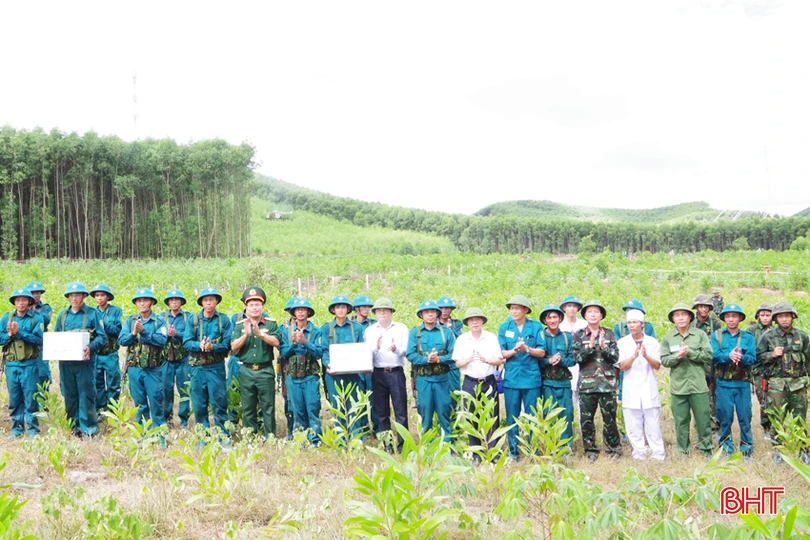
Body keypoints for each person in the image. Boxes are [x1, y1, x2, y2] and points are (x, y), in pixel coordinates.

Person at [755, 301, 810, 459]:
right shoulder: (768, 336)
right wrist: (771, 355)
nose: (784, 319)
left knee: (800, 418)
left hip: (798, 384)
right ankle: (777, 451)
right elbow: (757, 359)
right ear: (776, 318)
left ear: (792, 317)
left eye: (787, 316)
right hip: (776, 385)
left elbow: (808, 360)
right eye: (780, 317)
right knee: (777, 418)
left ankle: (803, 451)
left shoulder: (802, 336)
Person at [54, 282, 107, 439]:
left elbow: (102, 337)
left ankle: (88, 429)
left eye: (77, 295)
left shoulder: (92, 314)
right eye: (71, 295)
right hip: (66, 364)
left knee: (86, 395)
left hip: (85, 364)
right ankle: (73, 427)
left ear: (84, 296)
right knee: (69, 395)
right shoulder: (62, 316)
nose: (74, 298)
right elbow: (56, 337)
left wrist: (90, 347)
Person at [661, 302, 713, 456]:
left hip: (698, 386)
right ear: (673, 319)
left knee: (703, 419)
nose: (681, 318)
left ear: (690, 317)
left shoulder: (700, 335)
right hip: (679, 387)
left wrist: (690, 353)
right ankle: (684, 450)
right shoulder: (668, 338)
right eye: (677, 315)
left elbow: (708, 355)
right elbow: (664, 360)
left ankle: (706, 448)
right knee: (681, 421)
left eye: (684, 314)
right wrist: (678, 356)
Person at [573, 300, 621, 462]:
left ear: (601, 315)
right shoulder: (579, 335)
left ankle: (613, 449)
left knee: (610, 419)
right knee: (586, 420)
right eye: (589, 312)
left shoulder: (608, 334)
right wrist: (591, 346)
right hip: (587, 386)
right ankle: (590, 450)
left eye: (596, 312)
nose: (593, 315)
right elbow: (577, 358)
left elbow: (615, 357)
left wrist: (603, 346)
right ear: (585, 315)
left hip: (607, 385)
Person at [498, 295, 545, 460]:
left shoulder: (536, 327)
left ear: (526, 310)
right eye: (512, 308)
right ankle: (513, 451)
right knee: (512, 415)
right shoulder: (505, 327)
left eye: (517, 308)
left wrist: (527, 349)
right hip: (512, 377)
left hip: (531, 377)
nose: (514, 311)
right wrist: (515, 351)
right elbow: (502, 353)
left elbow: (542, 351)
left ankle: (532, 449)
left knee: (532, 415)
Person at [453, 307, 504, 458]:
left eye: (477, 319)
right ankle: (476, 453)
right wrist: (468, 359)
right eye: (471, 320)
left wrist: (486, 360)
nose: (475, 322)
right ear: (468, 323)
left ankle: (494, 452)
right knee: (470, 416)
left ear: (482, 321)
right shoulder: (462, 339)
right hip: (470, 382)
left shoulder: (491, 337)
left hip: (488, 381)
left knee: (492, 416)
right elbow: (457, 363)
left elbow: (499, 360)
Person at [230, 286, 281, 438]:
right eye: (251, 305)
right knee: (248, 406)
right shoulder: (240, 325)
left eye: (257, 304)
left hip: (265, 371)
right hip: (246, 371)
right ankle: (250, 436)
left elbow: (276, 342)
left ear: (262, 306)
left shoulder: (270, 324)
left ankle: (269, 436)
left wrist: (260, 334)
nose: (254, 308)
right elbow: (233, 347)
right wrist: (246, 335)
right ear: (246, 308)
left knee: (268, 406)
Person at [183, 287, 233, 437]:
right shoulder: (194, 319)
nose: (209, 303)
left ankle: (223, 436)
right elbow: (186, 342)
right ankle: (202, 437)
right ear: (202, 303)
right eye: (205, 300)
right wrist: (199, 345)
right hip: (197, 369)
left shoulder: (223, 320)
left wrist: (213, 347)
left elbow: (227, 345)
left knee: (219, 402)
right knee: (199, 404)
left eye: (211, 299)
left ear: (216, 301)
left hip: (216, 368)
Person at [119, 288, 168, 434]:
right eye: (139, 301)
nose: (142, 303)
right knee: (139, 404)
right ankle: (143, 434)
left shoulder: (159, 321)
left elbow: (162, 340)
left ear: (151, 303)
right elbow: (122, 340)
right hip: (135, 369)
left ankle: (160, 435)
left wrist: (144, 332)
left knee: (156, 402)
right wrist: (134, 333)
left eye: (145, 300)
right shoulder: (131, 320)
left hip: (153, 369)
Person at [617, 309, 664, 461]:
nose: (631, 325)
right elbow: (622, 366)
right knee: (633, 424)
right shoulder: (622, 343)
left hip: (648, 386)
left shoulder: (652, 342)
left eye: (635, 322)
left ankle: (658, 454)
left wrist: (645, 355)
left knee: (653, 424)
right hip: (631, 386)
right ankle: (639, 453)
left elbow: (657, 365)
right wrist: (634, 356)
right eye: (629, 323)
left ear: (642, 324)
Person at [406, 300, 456, 442]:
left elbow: (454, 354)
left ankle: (447, 445)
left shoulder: (446, 332)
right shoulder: (415, 333)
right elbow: (410, 354)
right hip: (423, 380)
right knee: (425, 413)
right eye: (427, 312)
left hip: (442, 380)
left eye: (433, 312)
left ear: (437, 314)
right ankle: (427, 445)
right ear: (421, 314)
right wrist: (427, 360)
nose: (430, 314)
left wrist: (438, 359)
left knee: (444, 411)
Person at [364, 297, 409, 452]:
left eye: (385, 310)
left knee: (400, 410)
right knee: (381, 410)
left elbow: (405, 351)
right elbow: (366, 354)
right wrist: (375, 347)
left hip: (396, 372)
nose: (382, 313)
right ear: (375, 313)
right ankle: (387, 444)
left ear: (391, 312)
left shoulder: (401, 328)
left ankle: (403, 444)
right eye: (379, 310)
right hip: (378, 373)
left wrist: (396, 349)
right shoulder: (369, 331)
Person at [711, 304, 756, 457]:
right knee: (725, 417)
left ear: (740, 318)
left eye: (734, 316)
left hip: (742, 384)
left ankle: (747, 448)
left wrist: (741, 357)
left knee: (745, 417)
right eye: (728, 316)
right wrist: (728, 356)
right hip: (723, 384)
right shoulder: (717, 336)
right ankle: (726, 448)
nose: (731, 319)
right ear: (724, 318)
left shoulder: (748, 337)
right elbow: (714, 355)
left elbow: (752, 358)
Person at [321, 295, 367, 440]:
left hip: (353, 374)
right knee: (337, 406)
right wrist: (328, 364)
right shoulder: (326, 328)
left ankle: (356, 439)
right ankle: (341, 438)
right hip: (334, 374)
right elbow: (324, 350)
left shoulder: (357, 328)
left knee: (354, 406)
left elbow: (361, 349)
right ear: (333, 310)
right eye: (338, 307)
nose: (341, 310)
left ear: (348, 310)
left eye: (343, 307)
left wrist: (362, 365)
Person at [0, 288, 44, 438]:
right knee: (15, 398)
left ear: (29, 301)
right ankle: (17, 429)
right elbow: (1, 339)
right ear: (14, 302)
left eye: (24, 300)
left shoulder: (36, 318)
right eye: (18, 300)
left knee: (31, 397)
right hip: (12, 365)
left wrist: (20, 333)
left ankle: (32, 429)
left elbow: (39, 340)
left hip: (29, 364)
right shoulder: (7, 318)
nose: (20, 303)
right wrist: (10, 334)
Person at [279, 298, 323, 445]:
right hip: (292, 377)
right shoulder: (287, 332)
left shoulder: (316, 331)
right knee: (297, 409)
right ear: (294, 313)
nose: (300, 312)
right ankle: (301, 439)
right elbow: (283, 352)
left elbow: (318, 352)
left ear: (308, 312)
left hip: (310, 376)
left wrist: (305, 342)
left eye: (303, 309)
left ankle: (315, 439)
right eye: (298, 310)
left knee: (313, 407)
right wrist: (294, 343)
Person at [537, 304, 575, 449]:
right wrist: (548, 361)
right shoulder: (540, 336)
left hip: (564, 383)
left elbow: (573, 359)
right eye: (549, 317)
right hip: (546, 384)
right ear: (545, 320)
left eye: (555, 317)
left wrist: (561, 361)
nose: (552, 320)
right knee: (549, 415)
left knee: (567, 415)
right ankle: (550, 446)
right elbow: (536, 360)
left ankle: (566, 448)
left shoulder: (567, 337)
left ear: (560, 319)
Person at [90, 284, 122, 412]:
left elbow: (118, 330)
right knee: (97, 382)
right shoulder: (92, 312)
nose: (99, 298)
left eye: (102, 295)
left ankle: (113, 409)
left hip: (110, 353)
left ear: (107, 297)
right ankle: (100, 408)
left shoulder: (116, 311)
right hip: (96, 354)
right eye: (97, 296)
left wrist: (104, 325)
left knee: (113, 382)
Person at [692, 294, 722, 431]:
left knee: (713, 394)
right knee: (697, 395)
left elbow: (719, 342)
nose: (703, 309)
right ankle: (700, 423)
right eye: (701, 306)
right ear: (697, 307)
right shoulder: (691, 323)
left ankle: (714, 424)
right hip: (696, 364)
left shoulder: (715, 324)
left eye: (706, 307)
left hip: (712, 365)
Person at [163, 289, 192, 429]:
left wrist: (176, 333)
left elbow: (190, 334)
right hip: (166, 360)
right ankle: (167, 418)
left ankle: (184, 420)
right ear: (168, 302)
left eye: (177, 300)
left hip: (183, 359)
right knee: (166, 390)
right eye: (171, 300)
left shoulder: (189, 317)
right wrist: (167, 335)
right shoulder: (162, 318)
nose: (174, 302)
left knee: (184, 390)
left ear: (181, 302)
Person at [351, 295, 378, 434]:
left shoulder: (374, 324)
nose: (367, 309)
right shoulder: (350, 324)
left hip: (372, 366)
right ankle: (363, 428)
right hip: (356, 367)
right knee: (358, 398)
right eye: (364, 307)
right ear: (357, 309)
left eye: (369, 307)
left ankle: (378, 428)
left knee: (375, 398)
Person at [747, 302, 774, 436]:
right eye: (762, 315)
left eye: (768, 315)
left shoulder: (776, 330)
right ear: (758, 316)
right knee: (763, 399)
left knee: (773, 399)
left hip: (773, 370)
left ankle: (774, 426)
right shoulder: (752, 330)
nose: (765, 318)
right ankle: (766, 427)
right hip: (758, 370)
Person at [559, 295, 587, 413]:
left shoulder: (584, 324)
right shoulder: (559, 325)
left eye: (574, 306)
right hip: (566, 364)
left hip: (582, 363)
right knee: (566, 400)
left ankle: (583, 428)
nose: (571, 309)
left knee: (582, 401)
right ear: (564, 308)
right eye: (569, 306)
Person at [278, 297, 300, 439]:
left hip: (304, 367)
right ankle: (291, 429)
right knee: (288, 400)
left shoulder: (309, 326)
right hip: (287, 368)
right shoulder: (282, 328)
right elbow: (281, 348)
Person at [26, 281, 52, 392]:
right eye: (33, 293)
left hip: (41, 346)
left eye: (38, 293)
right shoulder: (22, 308)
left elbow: (46, 320)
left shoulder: (45, 308)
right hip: (27, 345)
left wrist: (34, 311)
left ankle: (45, 403)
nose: (36, 295)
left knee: (43, 373)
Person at [437, 296, 464, 399]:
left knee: (454, 392)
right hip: (438, 360)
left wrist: (449, 330)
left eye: (447, 308)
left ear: (451, 310)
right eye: (441, 308)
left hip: (452, 361)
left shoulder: (456, 323)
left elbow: (459, 339)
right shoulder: (433, 324)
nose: (444, 311)